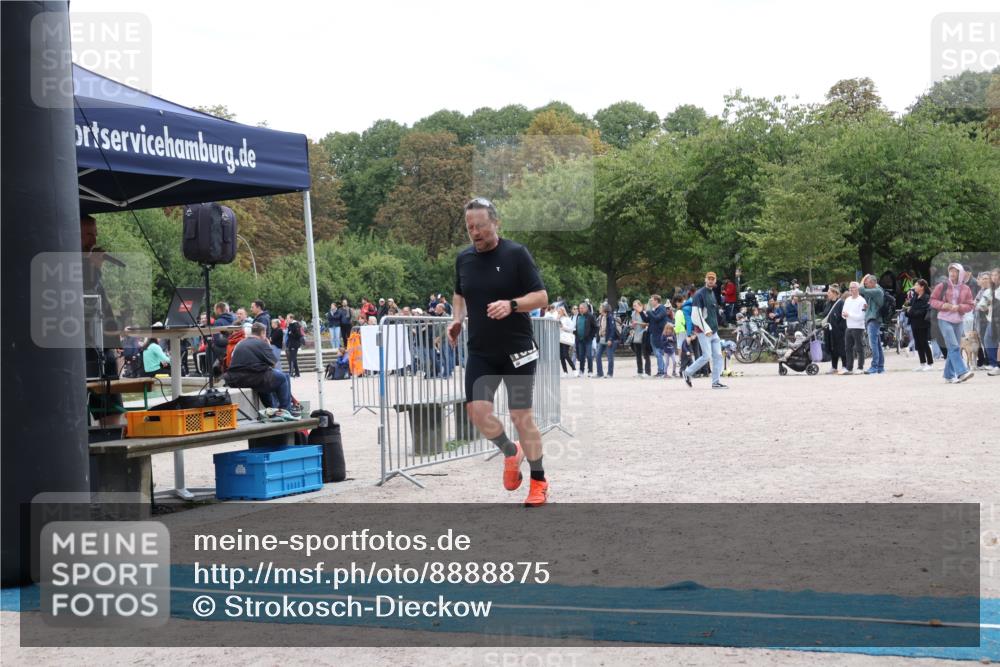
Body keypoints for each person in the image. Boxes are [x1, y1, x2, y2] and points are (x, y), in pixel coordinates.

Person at [448, 197, 550, 506]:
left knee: (521, 417)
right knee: (477, 413)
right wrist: (456, 319)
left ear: (495, 223)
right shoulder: (463, 259)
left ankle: (538, 481)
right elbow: (459, 293)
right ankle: (510, 451)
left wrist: (512, 304)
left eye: (480, 226)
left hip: (517, 350)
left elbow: (541, 297)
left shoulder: (516, 254)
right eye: (470, 227)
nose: (475, 232)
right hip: (481, 351)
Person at [81, 215, 125, 425]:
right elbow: (85, 292)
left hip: (102, 345)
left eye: (95, 234)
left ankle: (112, 441)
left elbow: (100, 302)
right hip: (84, 346)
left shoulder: (89, 263)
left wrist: (114, 339)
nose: (94, 240)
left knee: (111, 408)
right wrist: (94, 267)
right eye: (89, 234)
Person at [224, 322, 296, 412]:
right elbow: (273, 364)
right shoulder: (261, 343)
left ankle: (272, 409)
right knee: (283, 378)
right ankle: (286, 411)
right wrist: (268, 345)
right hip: (253, 377)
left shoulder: (240, 343)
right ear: (263, 333)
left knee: (268, 378)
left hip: (235, 379)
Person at [929, 262, 975, 383]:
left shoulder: (966, 288)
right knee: (954, 346)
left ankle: (948, 376)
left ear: (961, 274)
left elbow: (970, 305)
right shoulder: (942, 286)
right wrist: (943, 305)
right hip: (944, 319)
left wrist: (959, 307)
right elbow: (932, 300)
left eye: (955, 271)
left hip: (958, 321)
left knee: (953, 348)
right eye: (951, 271)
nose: (952, 273)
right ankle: (962, 372)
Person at [683, 272, 726, 389]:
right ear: (705, 279)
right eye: (709, 278)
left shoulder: (712, 293)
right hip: (704, 332)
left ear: (715, 280)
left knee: (718, 356)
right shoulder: (699, 294)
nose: (711, 280)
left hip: (713, 331)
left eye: (713, 279)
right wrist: (706, 329)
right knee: (707, 356)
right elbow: (695, 315)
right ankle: (687, 372)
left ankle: (716, 382)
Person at [858, 275, 886, 375]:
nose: (866, 284)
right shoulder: (875, 291)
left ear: (873, 283)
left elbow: (860, 289)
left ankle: (874, 367)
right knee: (877, 344)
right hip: (874, 319)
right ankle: (880, 367)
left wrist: (863, 278)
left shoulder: (877, 291)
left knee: (873, 344)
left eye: (868, 282)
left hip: (874, 320)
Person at [905, 279, 934, 371]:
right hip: (914, 323)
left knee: (924, 343)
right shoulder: (915, 296)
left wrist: (911, 312)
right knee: (918, 343)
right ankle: (922, 363)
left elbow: (923, 311)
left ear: (922, 287)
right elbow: (909, 308)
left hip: (923, 324)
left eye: (917, 285)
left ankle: (930, 363)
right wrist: (908, 311)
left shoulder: (926, 297)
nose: (915, 287)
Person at [841, 281, 867, 375]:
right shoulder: (847, 300)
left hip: (858, 327)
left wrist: (849, 315)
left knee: (859, 347)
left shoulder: (862, 300)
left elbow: (862, 316)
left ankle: (860, 367)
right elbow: (843, 313)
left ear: (858, 289)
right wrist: (845, 315)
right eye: (850, 287)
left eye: (853, 287)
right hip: (849, 326)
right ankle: (849, 367)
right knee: (848, 348)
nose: (851, 289)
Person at [642, 295, 669, 376]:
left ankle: (661, 371)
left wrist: (648, 311)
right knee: (657, 353)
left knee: (658, 352)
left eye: (652, 300)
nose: (651, 301)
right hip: (652, 334)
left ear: (656, 300)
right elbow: (647, 320)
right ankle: (661, 370)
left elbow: (657, 318)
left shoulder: (662, 308)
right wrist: (641, 312)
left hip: (659, 334)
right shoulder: (653, 310)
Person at [821, 285, 846, 374]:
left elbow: (843, 317)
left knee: (841, 348)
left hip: (838, 331)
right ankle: (834, 367)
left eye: (829, 292)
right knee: (832, 348)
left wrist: (840, 328)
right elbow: (825, 314)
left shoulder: (841, 303)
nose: (827, 294)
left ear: (835, 293)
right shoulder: (828, 303)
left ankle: (845, 366)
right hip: (829, 330)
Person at [595, 302, 620, 378]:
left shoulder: (610, 317)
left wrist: (610, 339)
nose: (599, 309)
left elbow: (612, 329)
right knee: (597, 355)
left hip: (609, 339)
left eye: (600, 307)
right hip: (602, 338)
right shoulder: (601, 317)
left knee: (610, 357)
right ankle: (600, 373)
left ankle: (610, 373)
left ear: (604, 309)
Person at [574, 302, 597, 377]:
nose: (580, 309)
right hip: (580, 339)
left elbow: (595, 327)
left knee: (589, 356)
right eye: (579, 308)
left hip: (588, 340)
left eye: (582, 308)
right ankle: (581, 371)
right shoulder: (578, 316)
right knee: (581, 356)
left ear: (586, 308)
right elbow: (577, 326)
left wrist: (591, 336)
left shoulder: (590, 316)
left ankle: (590, 371)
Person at [630, 299, 651, 377]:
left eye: (636, 306)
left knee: (645, 354)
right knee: (638, 355)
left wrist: (637, 323)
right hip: (636, 335)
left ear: (640, 305)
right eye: (633, 306)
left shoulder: (644, 313)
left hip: (643, 335)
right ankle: (640, 372)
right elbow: (633, 324)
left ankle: (647, 372)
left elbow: (648, 324)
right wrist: (632, 326)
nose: (634, 307)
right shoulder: (633, 314)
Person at [557, 306, 576, 376]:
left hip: (566, 338)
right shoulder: (557, 319)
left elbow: (571, 329)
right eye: (558, 311)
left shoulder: (567, 319)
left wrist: (563, 327)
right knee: (561, 356)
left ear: (563, 312)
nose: (559, 312)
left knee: (566, 355)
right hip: (559, 339)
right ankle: (565, 371)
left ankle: (574, 369)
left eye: (560, 311)